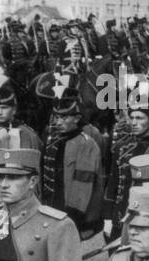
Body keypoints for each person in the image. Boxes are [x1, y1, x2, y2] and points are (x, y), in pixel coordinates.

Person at [39, 94, 105, 239]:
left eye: (65, 118)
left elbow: (83, 185)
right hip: (49, 205)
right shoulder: (52, 140)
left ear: (76, 119)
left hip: (70, 211)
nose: (59, 121)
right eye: (57, 117)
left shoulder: (86, 144)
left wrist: (73, 217)